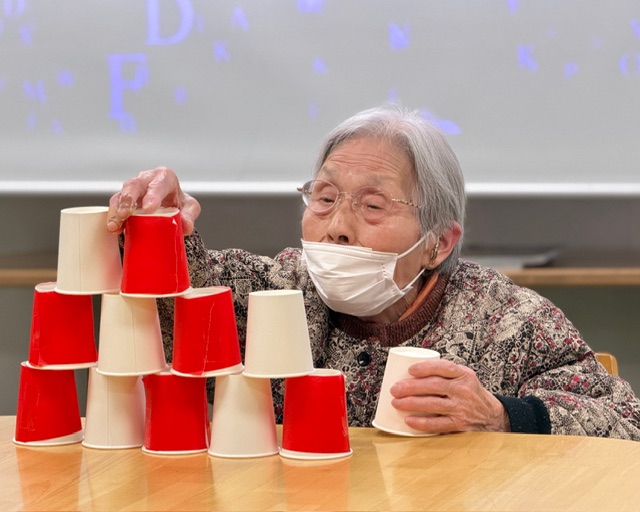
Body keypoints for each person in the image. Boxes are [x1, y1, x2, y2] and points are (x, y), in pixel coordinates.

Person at [108, 105, 640, 439]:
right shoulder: (281, 290)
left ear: (438, 243)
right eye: (324, 198)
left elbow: (624, 423)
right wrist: (158, 224)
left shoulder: (508, 321)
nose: (337, 227)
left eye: (373, 206)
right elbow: (184, 297)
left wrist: (500, 415)